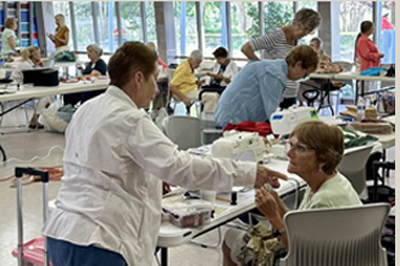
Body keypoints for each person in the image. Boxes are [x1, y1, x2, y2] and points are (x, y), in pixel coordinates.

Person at [43, 41, 288, 266]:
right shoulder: (131, 119)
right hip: (99, 242)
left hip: (61, 233)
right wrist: (249, 173)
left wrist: (149, 181)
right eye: (153, 80)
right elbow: (182, 168)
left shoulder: (87, 109)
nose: (156, 90)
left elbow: (103, 167)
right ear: (138, 79)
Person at [223, 120, 362, 265]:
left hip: (314, 259)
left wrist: (272, 216)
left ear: (323, 158)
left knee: (230, 240)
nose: (289, 153)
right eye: (291, 145)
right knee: (233, 237)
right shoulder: (328, 181)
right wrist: (276, 201)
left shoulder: (324, 200)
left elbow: (300, 253)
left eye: (300, 148)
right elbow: (298, 226)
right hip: (339, 257)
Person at [215, 45, 319, 129]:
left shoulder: (271, 66)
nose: (302, 77)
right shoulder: (275, 75)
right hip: (232, 121)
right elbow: (275, 117)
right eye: (305, 74)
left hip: (231, 116)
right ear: (298, 65)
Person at [241, 8, 322, 109]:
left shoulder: (295, 41)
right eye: (304, 28)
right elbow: (246, 48)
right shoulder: (278, 35)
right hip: (275, 95)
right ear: (296, 22)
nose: (305, 33)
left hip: (290, 95)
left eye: (309, 31)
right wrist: (262, 68)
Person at [11, 46, 53, 128]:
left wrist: (40, 67)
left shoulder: (31, 64)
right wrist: (41, 69)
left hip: (23, 88)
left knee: (47, 97)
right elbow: (35, 80)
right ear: (34, 55)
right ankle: (34, 121)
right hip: (17, 90)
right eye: (39, 54)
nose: (40, 55)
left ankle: (35, 120)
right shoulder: (26, 65)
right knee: (45, 96)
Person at [298, 37, 331, 106]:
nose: (310, 48)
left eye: (312, 46)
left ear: (318, 47)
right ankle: (304, 103)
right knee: (298, 85)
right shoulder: (310, 57)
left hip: (322, 82)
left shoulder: (325, 58)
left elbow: (326, 69)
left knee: (300, 85)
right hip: (313, 80)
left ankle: (305, 103)